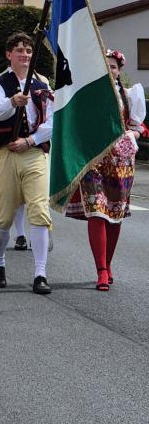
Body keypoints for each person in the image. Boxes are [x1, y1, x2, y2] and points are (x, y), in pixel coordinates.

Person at [64, 48, 146, 290]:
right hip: (93, 160)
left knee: (115, 215)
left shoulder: (129, 96)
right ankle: (100, 269)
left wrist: (133, 134)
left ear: (119, 71)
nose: (109, 70)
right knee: (97, 212)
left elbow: (140, 126)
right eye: (104, 66)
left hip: (121, 162)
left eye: (112, 67)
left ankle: (108, 264)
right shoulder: (86, 95)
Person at [0, 31, 54, 295]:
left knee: (39, 210)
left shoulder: (42, 85)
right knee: (4, 216)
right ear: (8, 55)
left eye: (28, 50)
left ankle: (40, 273)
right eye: (19, 50)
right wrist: (13, 102)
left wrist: (31, 140)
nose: (25, 54)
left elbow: (52, 121)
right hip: (7, 154)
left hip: (34, 153)